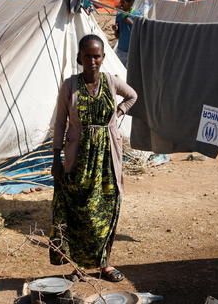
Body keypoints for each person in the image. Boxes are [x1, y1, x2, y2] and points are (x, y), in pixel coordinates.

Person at [51, 34, 138, 282]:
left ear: (103, 57)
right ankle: (77, 267)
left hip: (107, 160)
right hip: (78, 160)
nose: (92, 60)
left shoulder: (112, 81)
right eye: (87, 55)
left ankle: (105, 265)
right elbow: (59, 123)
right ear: (80, 57)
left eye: (97, 56)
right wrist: (56, 158)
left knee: (107, 210)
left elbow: (133, 96)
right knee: (80, 212)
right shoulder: (70, 85)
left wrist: (118, 112)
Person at [112, 0, 140, 67]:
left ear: (131, 3)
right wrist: (115, 30)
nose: (121, 4)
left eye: (123, 2)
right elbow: (117, 36)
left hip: (134, 52)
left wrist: (126, 18)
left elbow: (139, 30)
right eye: (120, 2)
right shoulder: (119, 15)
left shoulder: (137, 16)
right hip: (121, 51)